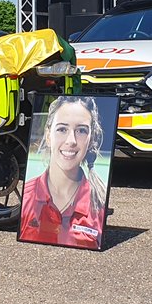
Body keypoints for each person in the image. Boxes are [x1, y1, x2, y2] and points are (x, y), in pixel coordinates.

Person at [19, 96, 109, 249]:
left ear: (91, 138)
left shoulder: (98, 204)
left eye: (81, 130)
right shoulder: (27, 196)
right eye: (62, 129)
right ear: (48, 135)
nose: (71, 140)